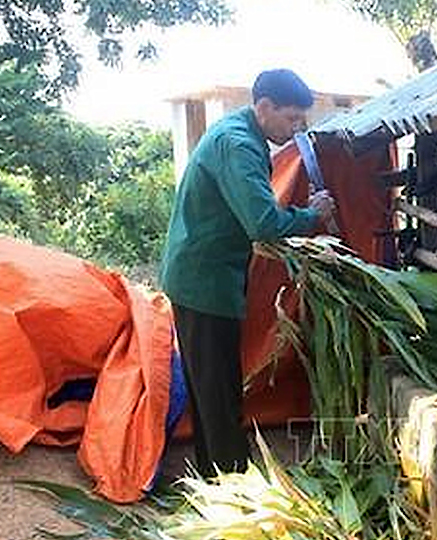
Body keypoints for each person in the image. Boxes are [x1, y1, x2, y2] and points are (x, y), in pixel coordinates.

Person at [160, 69, 336, 476]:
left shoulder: (244, 135)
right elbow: (261, 222)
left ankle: (215, 475)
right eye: (291, 118)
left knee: (212, 386)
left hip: (205, 276)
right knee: (218, 392)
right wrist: (312, 216)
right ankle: (232, 486)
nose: (297, 128)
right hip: (203, 281)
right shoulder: (238, 145)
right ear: (264, 107)